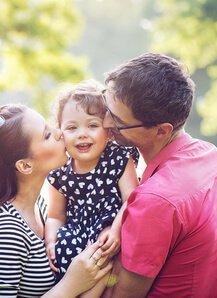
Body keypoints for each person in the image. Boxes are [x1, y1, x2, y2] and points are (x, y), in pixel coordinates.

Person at [99, 53, 217, 297]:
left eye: (118, 121)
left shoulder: (155, 200)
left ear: (161, 131)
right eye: (106, 106)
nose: (104, 123)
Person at [0, 104, 113, 298]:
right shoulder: (5, 230)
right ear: (25, 165)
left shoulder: (39, 207)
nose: (60, 133)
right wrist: (71, 284)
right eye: (47, 135)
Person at [44, 80, 139, 297]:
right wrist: (51, 240)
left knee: (100, 252)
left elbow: (132, 199)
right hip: (75, 235)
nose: (82, 134)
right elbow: (55, 216)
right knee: (65, 250)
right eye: (71, 127)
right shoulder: (60, 174)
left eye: (93, 125)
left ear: (108, 132)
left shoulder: (119, 159)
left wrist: (115, 229)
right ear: (61, 134)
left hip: (109, 230)